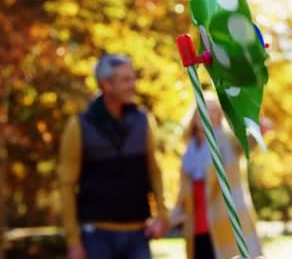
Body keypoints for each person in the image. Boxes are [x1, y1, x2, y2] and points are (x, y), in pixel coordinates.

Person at [58, 54, 169, 259]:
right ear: (106, 84)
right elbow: (67, 184)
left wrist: (162, 216)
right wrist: (73, 241)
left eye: (133, 78)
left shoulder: (143, 121)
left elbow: (155, 170)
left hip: (138, 233)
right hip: (96, 236)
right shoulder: (79, 126)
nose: (133, 85)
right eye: (126, 80)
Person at [172, 98, 263, 259]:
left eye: (214, 111)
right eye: (205, 109)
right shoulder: (188, 151)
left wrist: (258, 130)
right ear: (194, 116)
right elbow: (183, 192)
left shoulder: (227, 140)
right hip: (197, 227)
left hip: (225, 224)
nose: (209, 114)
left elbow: (245, 144)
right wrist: (170, 218)